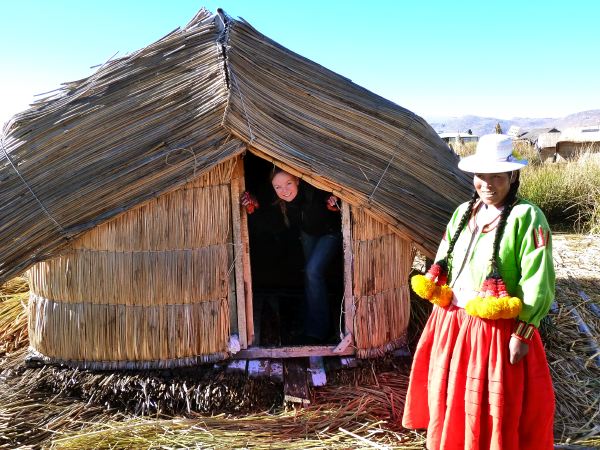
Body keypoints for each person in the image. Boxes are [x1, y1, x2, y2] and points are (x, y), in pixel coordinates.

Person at [402, 134, 555, 449]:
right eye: (481, 176)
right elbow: (446, 258)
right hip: (452, 320)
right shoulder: (463, 213)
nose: (487, 184)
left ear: (512, 177)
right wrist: (438, 308)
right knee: (450, 392)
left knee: (489, 402)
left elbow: (538, 277)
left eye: (497, 176)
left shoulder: (526, 217)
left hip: (494, 330)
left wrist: (523, 331)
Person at [242, 167, 342, 344]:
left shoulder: (313, 188)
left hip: (330, 233)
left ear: (297, 180)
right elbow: (261, 209)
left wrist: (332, 203)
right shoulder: (275, 196)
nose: (284, 190)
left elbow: (330, 199)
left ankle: (319, 332)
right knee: (312, 276)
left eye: (288, 183)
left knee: (313, 272)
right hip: (308, 234)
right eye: (278, 186)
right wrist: (252, 204)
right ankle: (313, 321)